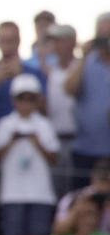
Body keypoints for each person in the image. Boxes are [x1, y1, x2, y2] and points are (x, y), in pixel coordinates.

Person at [0, 74, 59, 235]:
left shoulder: (45, 125)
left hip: (40, 193)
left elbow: (54, 157)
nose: (26, 103)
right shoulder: (5, 124)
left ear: (37, 100)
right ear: (14, 100)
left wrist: (37, 143)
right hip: (12, 193)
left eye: (30, 98)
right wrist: (11, 141)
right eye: (21, 98)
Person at [64, 13, 110, 191]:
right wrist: (84, 56)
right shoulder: (85, 61)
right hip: (85, 149)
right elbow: (69, 89)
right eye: (102, 35)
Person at [42, 24, 80, 196]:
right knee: (55, 190)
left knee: (76, 189)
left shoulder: (81, 66)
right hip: (53, 139)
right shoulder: (49, 69)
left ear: (71, 42)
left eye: (59, 40)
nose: (55, 45)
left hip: (78, 139)